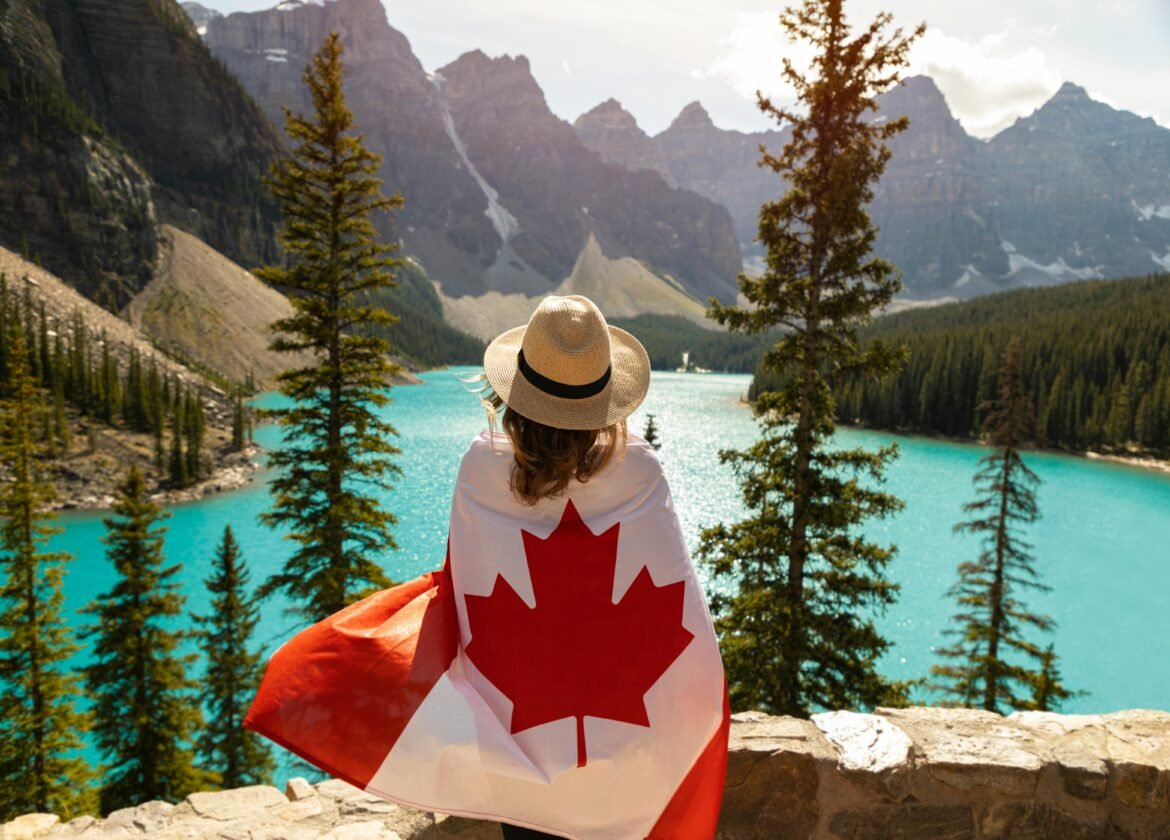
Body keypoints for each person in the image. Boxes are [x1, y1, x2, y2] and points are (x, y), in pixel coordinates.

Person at [246, 295, 728, 840]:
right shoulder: (639, 470)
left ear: (513, 396)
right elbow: (680, 606)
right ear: (605, 402)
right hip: (632, 763)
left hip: (520, 753)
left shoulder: (481, 468)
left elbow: (464, 584)